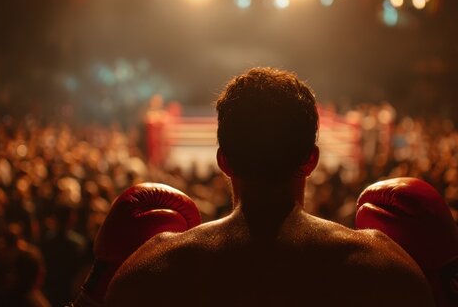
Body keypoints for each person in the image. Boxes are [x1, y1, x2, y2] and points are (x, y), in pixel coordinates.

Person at [106, 68, 433, 306]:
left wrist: (98, 282)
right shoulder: (377, 265)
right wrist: (451, 284)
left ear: (223, 161)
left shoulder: (157, 265)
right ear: (311, 160)